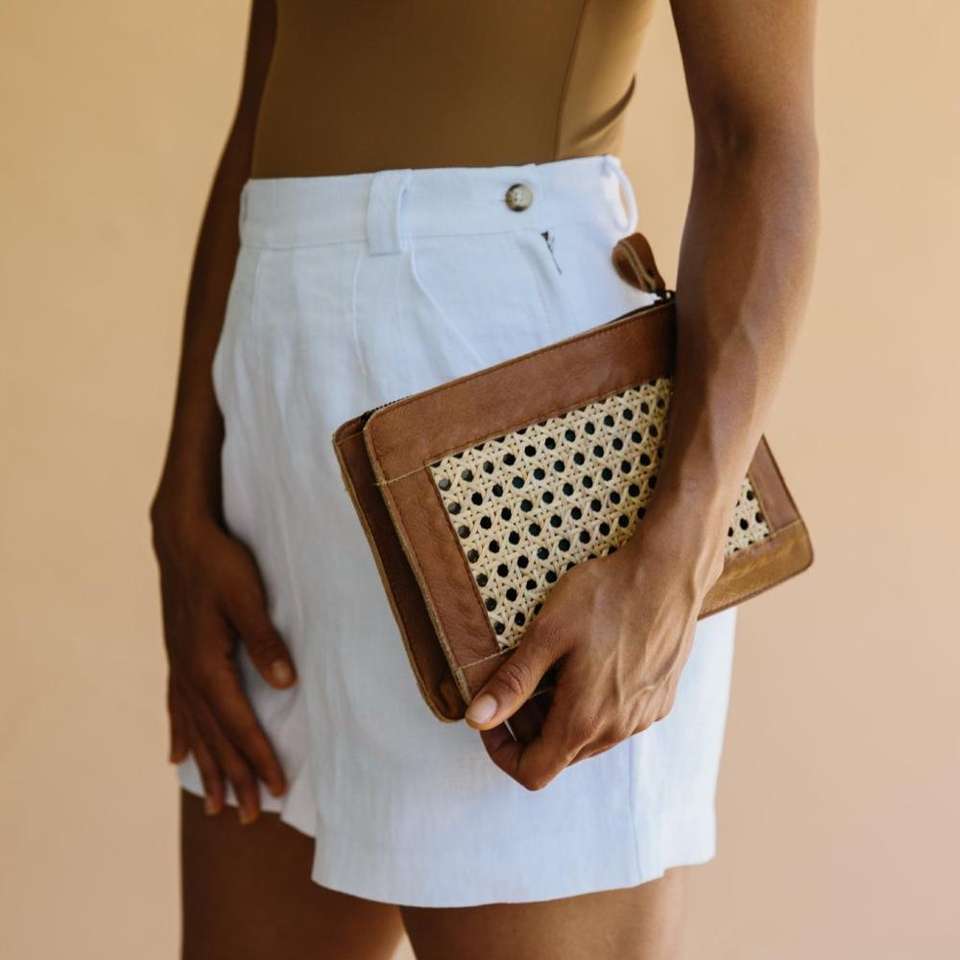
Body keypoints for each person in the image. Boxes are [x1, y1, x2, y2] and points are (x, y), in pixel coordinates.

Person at [150, 1, 819, 957]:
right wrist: (185, 498)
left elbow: (760, 137)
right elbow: (260, 119)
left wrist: (675, 561)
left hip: (513, 440)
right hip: (276, 396)